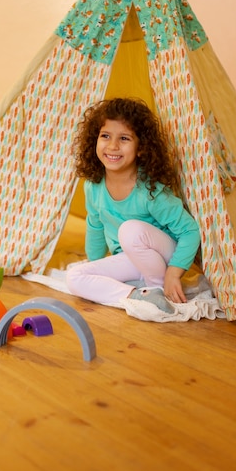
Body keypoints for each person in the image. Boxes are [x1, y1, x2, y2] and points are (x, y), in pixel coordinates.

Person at [66, 97, 201, 314]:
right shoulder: (93, 186)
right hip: (129, 259)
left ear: (141, 148)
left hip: (163, 257)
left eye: (124, 138)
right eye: (105, 136)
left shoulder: (149, 190)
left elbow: (190, 231)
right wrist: (97, 266)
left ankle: (157, 284)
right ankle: (141, 295)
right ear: (95, 141)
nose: (113, 146)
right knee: (75, 277)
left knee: (129, 230)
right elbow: (95, 226)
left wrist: (173, 273)